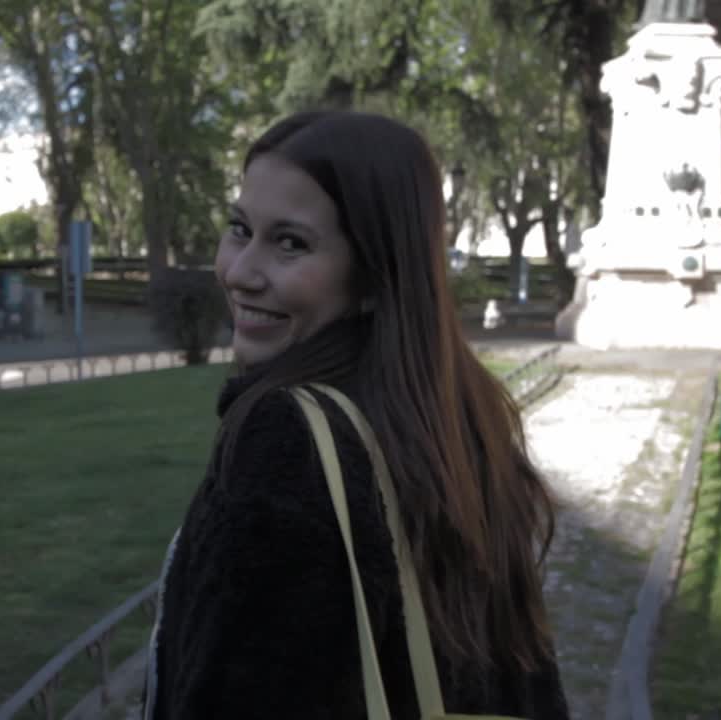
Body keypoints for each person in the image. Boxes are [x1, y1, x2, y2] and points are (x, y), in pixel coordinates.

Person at [142, 111, 568, 719]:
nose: (239, 272)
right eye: (240, 229)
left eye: (291, 243)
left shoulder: (289, 439)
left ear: (375, 275)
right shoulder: (459, 415)